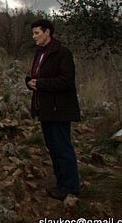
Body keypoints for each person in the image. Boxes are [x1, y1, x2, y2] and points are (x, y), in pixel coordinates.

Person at [26, 19, 81, 200]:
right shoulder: (40, 53)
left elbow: (66, 80)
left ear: (47, 32)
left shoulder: (62, 53)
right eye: (33, 33)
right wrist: (31, 82)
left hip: (59, 108)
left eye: (37, 33)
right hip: (46, 108)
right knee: (53, 147)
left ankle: (70, 186)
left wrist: (40, 83)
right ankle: (61, 183)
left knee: (62, 147)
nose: (34, 37)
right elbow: (38, 76)